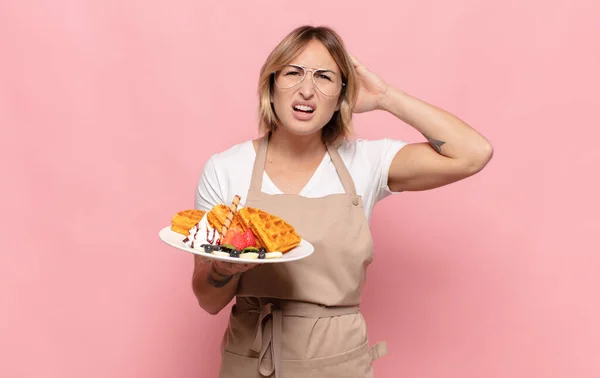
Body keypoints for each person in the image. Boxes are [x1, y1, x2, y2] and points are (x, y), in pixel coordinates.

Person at [192, 25, 493, 378]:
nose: (307, 89)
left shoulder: (366, 162)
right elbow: (208, 300)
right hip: (252, 363)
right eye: (293, 72)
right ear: (271, 85)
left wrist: (384, 97)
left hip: (340, 366)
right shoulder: (227, 169)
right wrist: (223, 270)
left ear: (341, 96)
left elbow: (473, 153)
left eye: (325, 77)